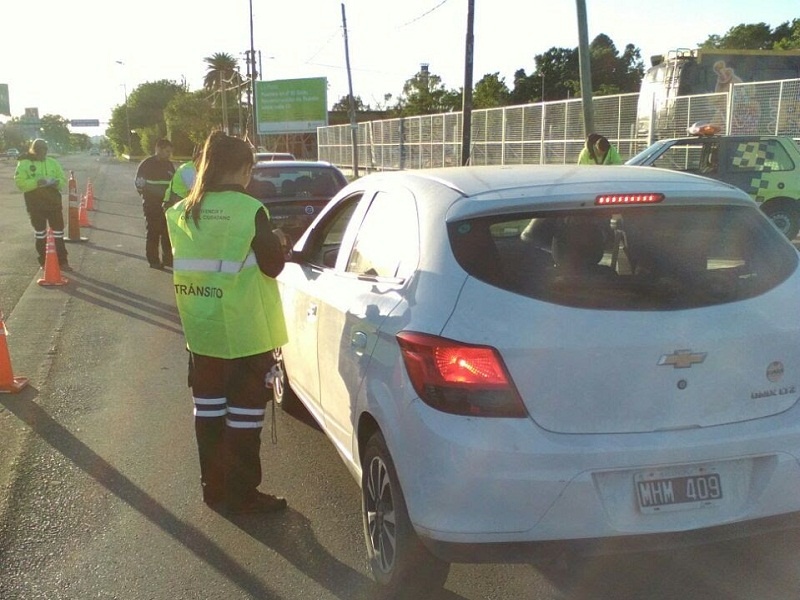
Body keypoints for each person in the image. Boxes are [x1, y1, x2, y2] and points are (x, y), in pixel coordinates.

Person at [165, 131, 290, 514]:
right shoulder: (249, 209)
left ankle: (213, 489)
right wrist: (279, 241)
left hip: (202, 333)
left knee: (209, 414)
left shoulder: (182, 212)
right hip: (246, 333)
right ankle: (243, 494)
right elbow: (272, 265)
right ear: (244, 168)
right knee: (245, 418)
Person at [13, 139, 71, 270]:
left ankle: (63, 261)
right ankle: (44, 262)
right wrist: (36, 183)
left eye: (45, 150)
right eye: (40, 150)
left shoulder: (53, 162)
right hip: (35, 204)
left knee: (58, 233)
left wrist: (57, 182)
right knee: (40, 234)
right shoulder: (24, 163)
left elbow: (62, 179)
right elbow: (20, 183)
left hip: (53, 203)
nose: (43, 153)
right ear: (34, 150)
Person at [135, 139, 175, 269]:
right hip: (152, 205)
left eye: (170, 152)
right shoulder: (147, 164)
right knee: (153, 232)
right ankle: (154, 261)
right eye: (167, 151)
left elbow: (173, 184)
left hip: (166, 205)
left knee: (167, 233)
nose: (169, 154)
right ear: (158, 149)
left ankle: (168, 259)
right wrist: (147, 198)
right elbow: (139, 183)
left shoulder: (169, 165)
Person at [163, 145, 200, 210]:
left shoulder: (196, 168)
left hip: (181, 203)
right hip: (174, 205)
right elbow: (197, 191)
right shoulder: (188, 169)